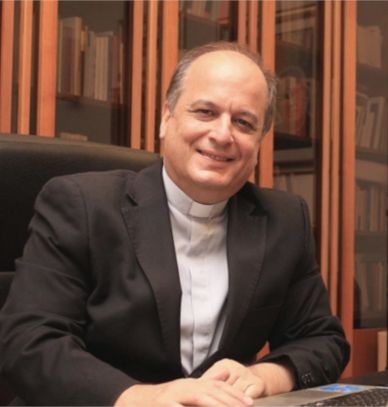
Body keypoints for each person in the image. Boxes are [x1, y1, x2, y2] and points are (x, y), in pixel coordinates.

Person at [0, 41, 349, 406]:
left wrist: (264, 376)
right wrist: (144, 397)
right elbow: (28, 341)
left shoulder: (284, 220)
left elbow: (323, 340)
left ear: (259, 141)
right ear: (167, 118)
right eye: (205, 112)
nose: (223, 134)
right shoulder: (81, 205)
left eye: (244, 123)